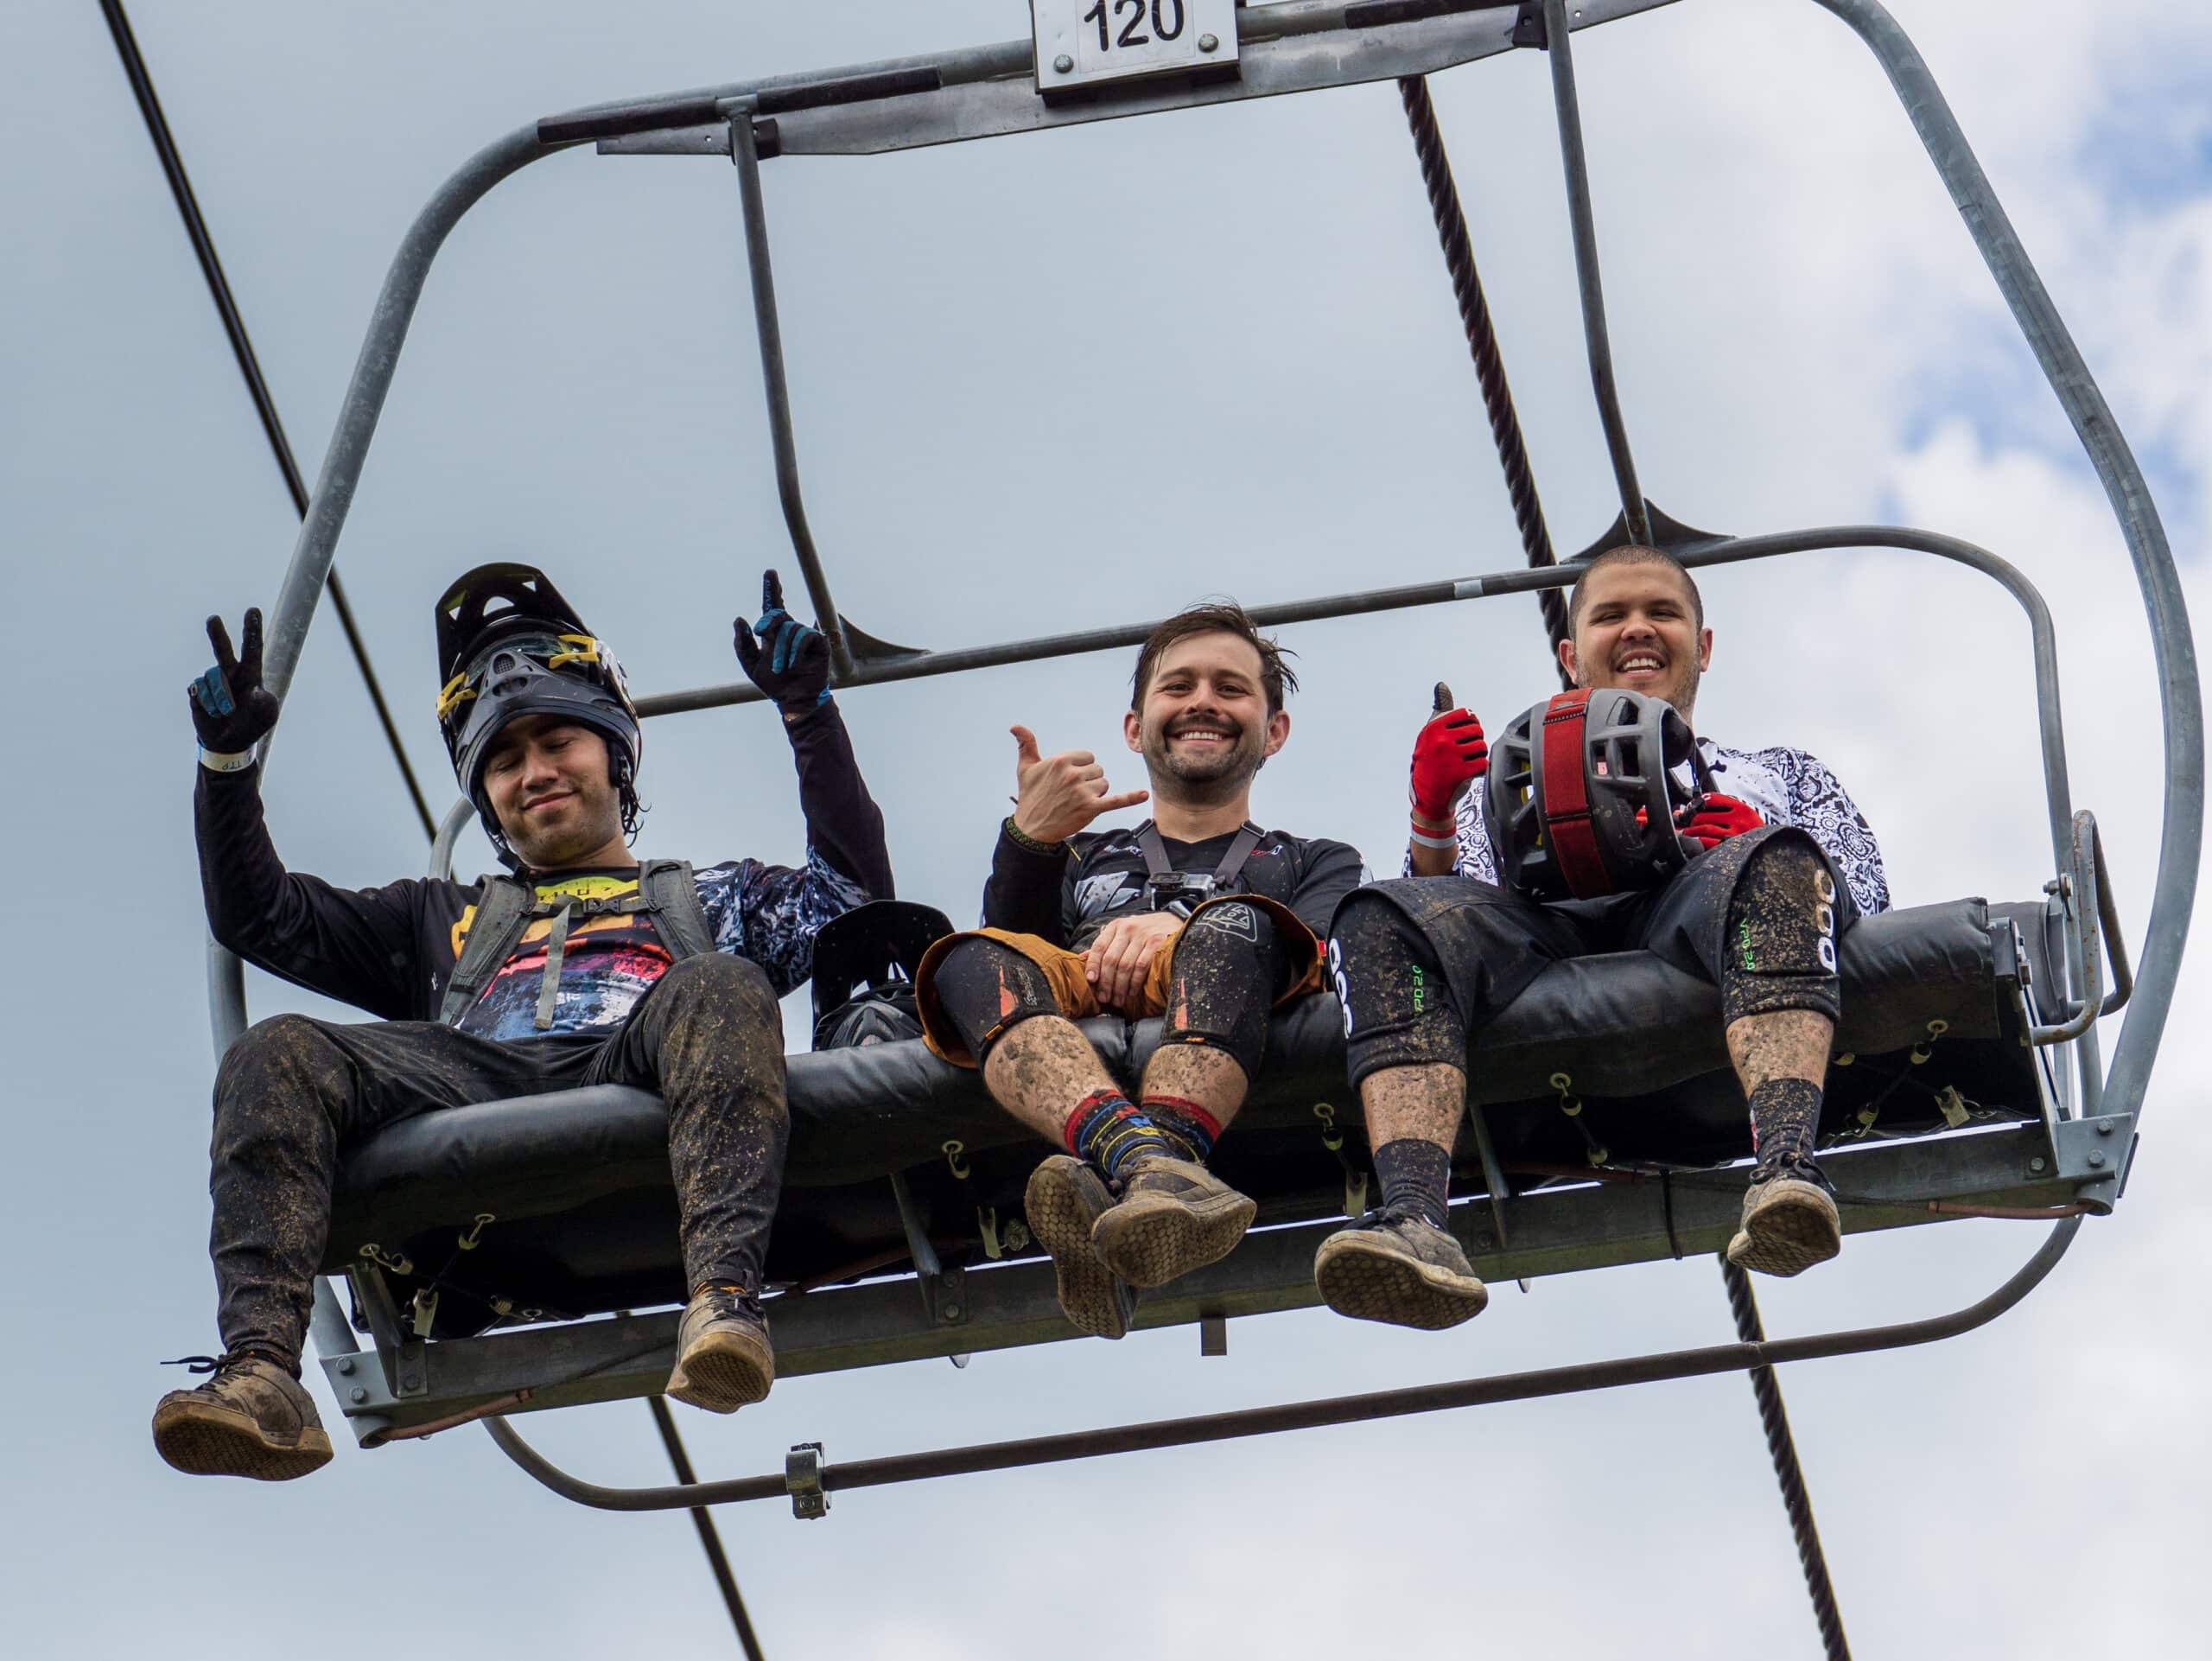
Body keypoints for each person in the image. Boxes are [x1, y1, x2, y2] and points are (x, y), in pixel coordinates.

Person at [154, 564, 892, 1480]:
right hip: (477, 1080)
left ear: (613, 755)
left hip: (639, 1064)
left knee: (722, 984)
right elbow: (261, 915)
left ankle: (724, 1300)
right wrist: (227, 769)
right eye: (505, 760)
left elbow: (850, 902)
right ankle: (263, 1372)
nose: (534, 772)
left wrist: (808, 714)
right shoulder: (438, 919)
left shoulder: (714, 897)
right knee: (277, 1051)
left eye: (556, 743)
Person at [1318, 544, 1890, 1329]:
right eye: (1610, 616)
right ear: (1569, 652)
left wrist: (1765, 843)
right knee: (1379, 913)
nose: (1637, 631)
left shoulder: (1779, 771)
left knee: (1783, 863)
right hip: (1543, 929)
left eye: (1662, 613)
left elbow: (1868, 886)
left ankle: (1788, 1169)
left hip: (1703, 913)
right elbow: (1440, 922)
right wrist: (1434, 817)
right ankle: (1415, 1220)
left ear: (1705, 643)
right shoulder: (1511, 782)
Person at [914, 603, 1364, 1339]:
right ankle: (1149, 1166)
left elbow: (1317, 955)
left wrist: (1181, 932)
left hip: (1226, 984)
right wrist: (1028, 841)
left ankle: (1119, 1185)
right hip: (1079, 995)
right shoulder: (1079, 854)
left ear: (1273, 732)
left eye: (1231, 688)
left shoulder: (1317, 860)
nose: (1202, 703)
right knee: (964, 959)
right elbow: (1016, 949)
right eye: (1178, 685)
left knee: (1237, 927)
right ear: (1135, 726)